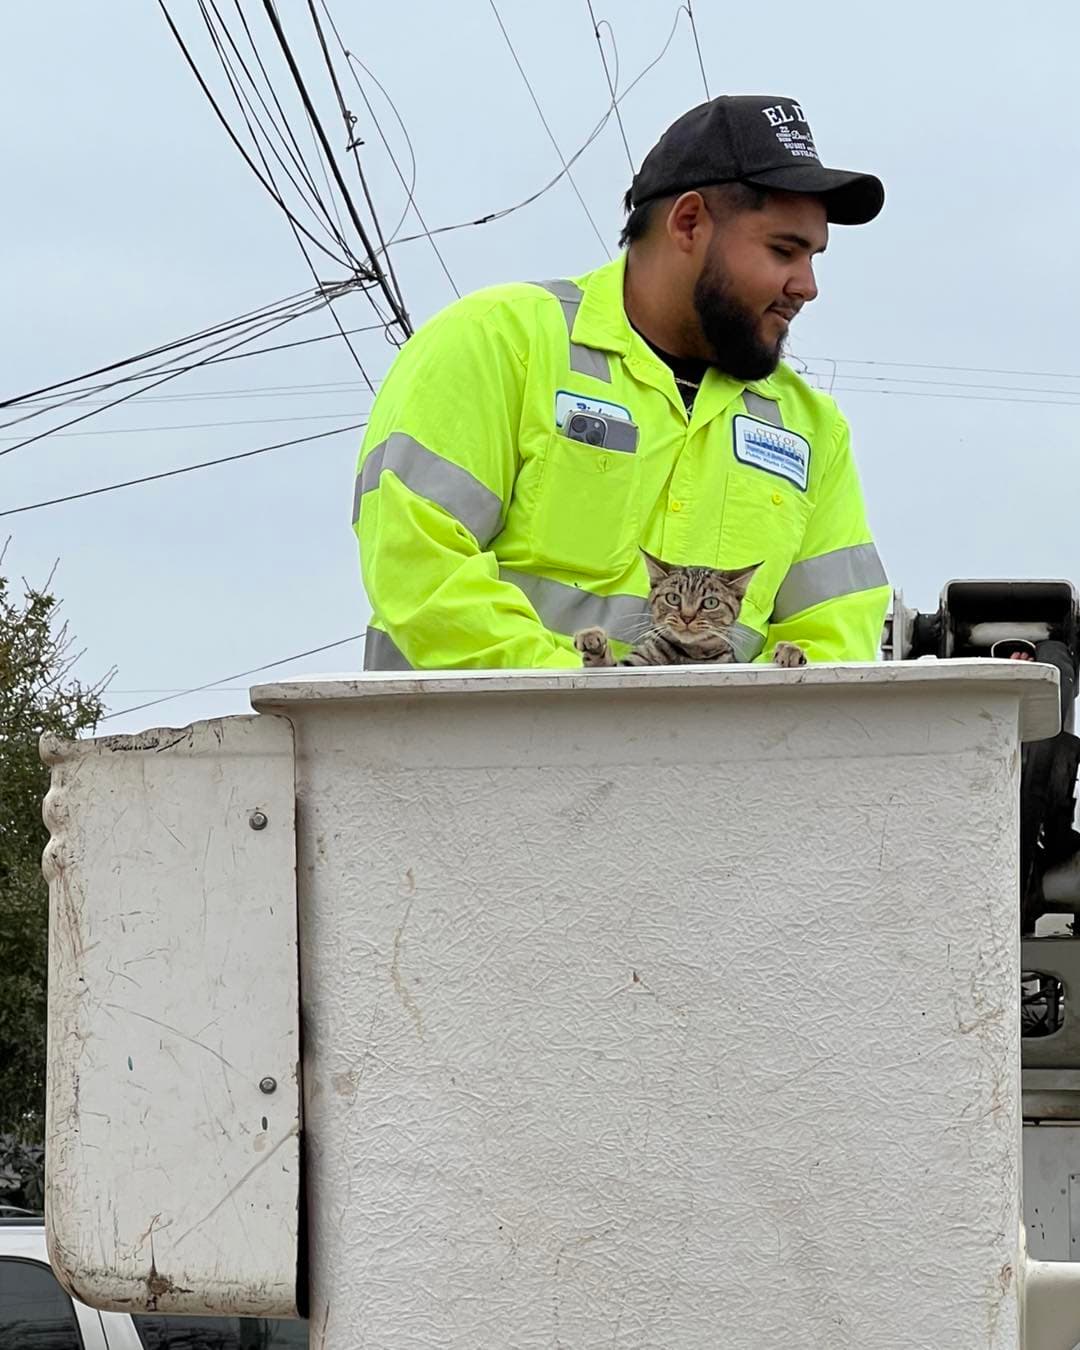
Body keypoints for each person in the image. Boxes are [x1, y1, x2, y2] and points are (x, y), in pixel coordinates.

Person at [352, 94, 890, 671]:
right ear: (688, 223)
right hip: (474, 755)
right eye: (784, 250)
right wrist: (601, 705)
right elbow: (419, 564)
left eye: (814, 258)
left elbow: (835, 643)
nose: (806, 286)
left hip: (711, 759)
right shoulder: (500, 341)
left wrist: (687, 729)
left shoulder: (811, 428)